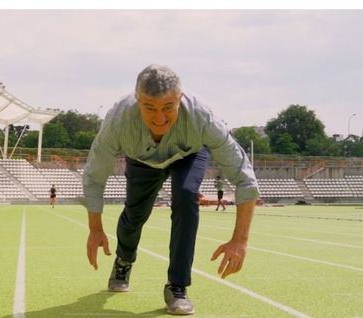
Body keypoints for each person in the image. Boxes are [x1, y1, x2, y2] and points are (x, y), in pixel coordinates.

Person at [82, 65, 258, 315]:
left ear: (180, 98)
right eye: (149, 108)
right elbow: (94, 176)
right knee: (135, 214)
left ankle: (177, 286)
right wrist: (95, 229)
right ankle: (124, 260)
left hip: (189, 154)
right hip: (142, 159)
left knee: (186, 197)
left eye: (167, 107)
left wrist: (239, 240)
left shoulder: (202, 117)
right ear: (137, 100)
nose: (159, 119)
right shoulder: (118, 120)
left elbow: (244, 177)